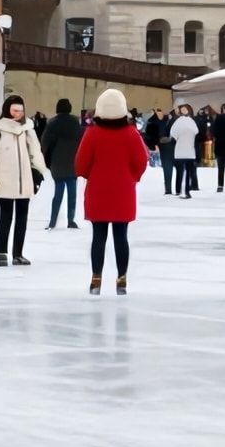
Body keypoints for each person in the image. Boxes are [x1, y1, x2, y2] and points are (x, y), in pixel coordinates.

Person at [73, 88, 147, 294]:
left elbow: (80, 165)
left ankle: (96, 278)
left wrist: (93, 175)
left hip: (98, 191)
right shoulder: (131, 134)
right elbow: (142, 161)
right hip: (123, 191)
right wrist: (131, 178)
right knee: (121, 236)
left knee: (99, 236)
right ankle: (121, 278)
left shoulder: (92, 134)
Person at [0, 93, 48, 266]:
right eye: (14, 110)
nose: (18, 113)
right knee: (6, 215)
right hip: (4, 177)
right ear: (8, 110)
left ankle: (18, 253)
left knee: (22, 216)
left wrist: (38, 170)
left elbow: (35, 150)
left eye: (20, 110)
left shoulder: (28, 128)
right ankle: (2, 253)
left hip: (24, 178)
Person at [168, 104, 200, 200]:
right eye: (182, 109)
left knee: (186, 172)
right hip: (182, 150)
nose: (183, 111)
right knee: (182, 172)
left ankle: (184, 190)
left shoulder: (190, 121)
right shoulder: (180, 121)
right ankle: (182, 190)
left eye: (185, 109)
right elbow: (173, 133)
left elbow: (196, 131)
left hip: (188, 150)